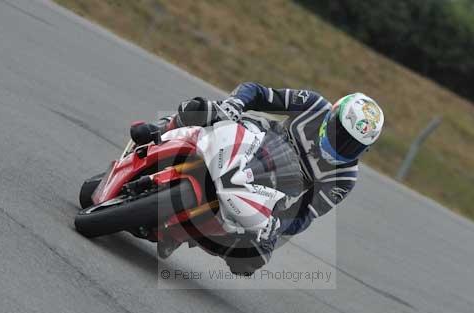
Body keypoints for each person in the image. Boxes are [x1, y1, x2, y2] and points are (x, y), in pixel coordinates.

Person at [130, 82, 384, 273]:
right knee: (202, 109)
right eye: (340, 133)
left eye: (353, 146)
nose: (342, 146)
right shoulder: (314, 105)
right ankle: (159, 132)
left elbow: (306, 214)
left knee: (252, 259)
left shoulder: (345, 178)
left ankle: (184, 233)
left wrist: (279, 224)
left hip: (271, 191)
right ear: (332, 117)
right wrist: (236, 103)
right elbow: (259, 92)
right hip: (255, 139)